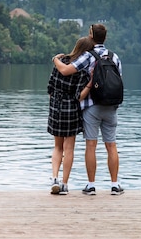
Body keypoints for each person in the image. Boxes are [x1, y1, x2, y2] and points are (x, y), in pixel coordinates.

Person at [52, 23, 124, 195]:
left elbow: (66, 70)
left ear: (91, 36)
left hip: (92, 106)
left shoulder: (88, 56)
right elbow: (119, 80)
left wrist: (55, 59)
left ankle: (91, 185)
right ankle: (115, 185)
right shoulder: (114, 57)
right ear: (105, 38)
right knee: (111, 146)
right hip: (111, 107)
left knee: (91, 145)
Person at [47, 36, 94, 195]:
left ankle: (54, 178)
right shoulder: (82, 70)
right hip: (71, 108)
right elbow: (79, 96)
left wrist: (55, 103)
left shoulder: (60, 62)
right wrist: (89, 83)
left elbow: (50, 89)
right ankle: (65, 184)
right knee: (69, 148)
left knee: (57, 146)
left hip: (56, 106)